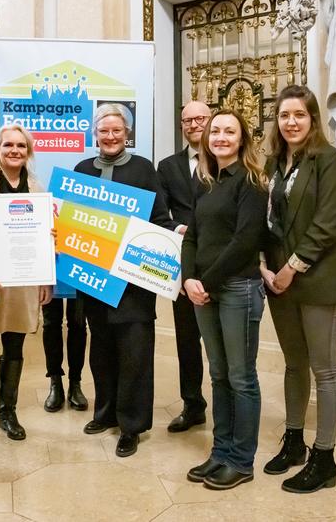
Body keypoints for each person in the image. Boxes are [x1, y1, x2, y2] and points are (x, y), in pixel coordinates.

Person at [261, 85, 336, 493]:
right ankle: (294, 441)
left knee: (324, 368)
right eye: (284, 115)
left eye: (299, 114)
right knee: (294, 364)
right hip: (280, 281)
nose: (291, 122)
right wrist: (266, 266)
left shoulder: (329, 161)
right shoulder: (275, 164)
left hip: (317, 279)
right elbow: (269, 223)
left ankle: (324, 458)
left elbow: (327, 224)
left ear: (312, 119)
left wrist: (291, 269)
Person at [74, 103, 168, 458]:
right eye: (104, 131)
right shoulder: (82, 169)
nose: (110, 137)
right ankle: (106, 412)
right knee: (101, 351)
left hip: (133, 282)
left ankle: (131, 425)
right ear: (94, 134)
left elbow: (159, 218)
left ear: (127, 134)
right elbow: (74, 218)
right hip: (94, 279)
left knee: (135, 354)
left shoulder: (144, 169)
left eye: (117, 131)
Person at [182, 109, 268, 490]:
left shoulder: (251, 182)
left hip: (237, 289)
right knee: (218, 374)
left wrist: (205, 280)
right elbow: (191, 237)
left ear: (241, 139)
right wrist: (188, 278)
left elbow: (245, 242)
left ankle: (241, 460)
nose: (219, 136)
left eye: (228, 131)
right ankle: (220, 452)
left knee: (241, 377)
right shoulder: (205, 181)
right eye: (214, 130)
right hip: (204, 290)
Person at [0, 124, 53, 444]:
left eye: (20, 146)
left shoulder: (37, 187)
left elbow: (43, 239)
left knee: (14, 345)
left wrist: (46, 280)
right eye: (8, 145)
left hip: (24, 280)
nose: (14, 150)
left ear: (28, 152)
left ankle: (8, 412)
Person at [156, 100, 212, 433]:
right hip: (183, 267)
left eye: (200, 118)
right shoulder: (167, 166)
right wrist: (181, 229)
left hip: (222, 263)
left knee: (222, 342)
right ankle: (193, 405)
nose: (193, 125)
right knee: (187, 341)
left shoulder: (226, 160)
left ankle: (231, 408)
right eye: (187, 120)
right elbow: (160, 214)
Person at [41, 294, 88, 413]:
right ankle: (55, 382)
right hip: (51, 276)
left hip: (79, 277)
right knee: (50, 324)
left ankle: (75, 383)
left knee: (78, 323)